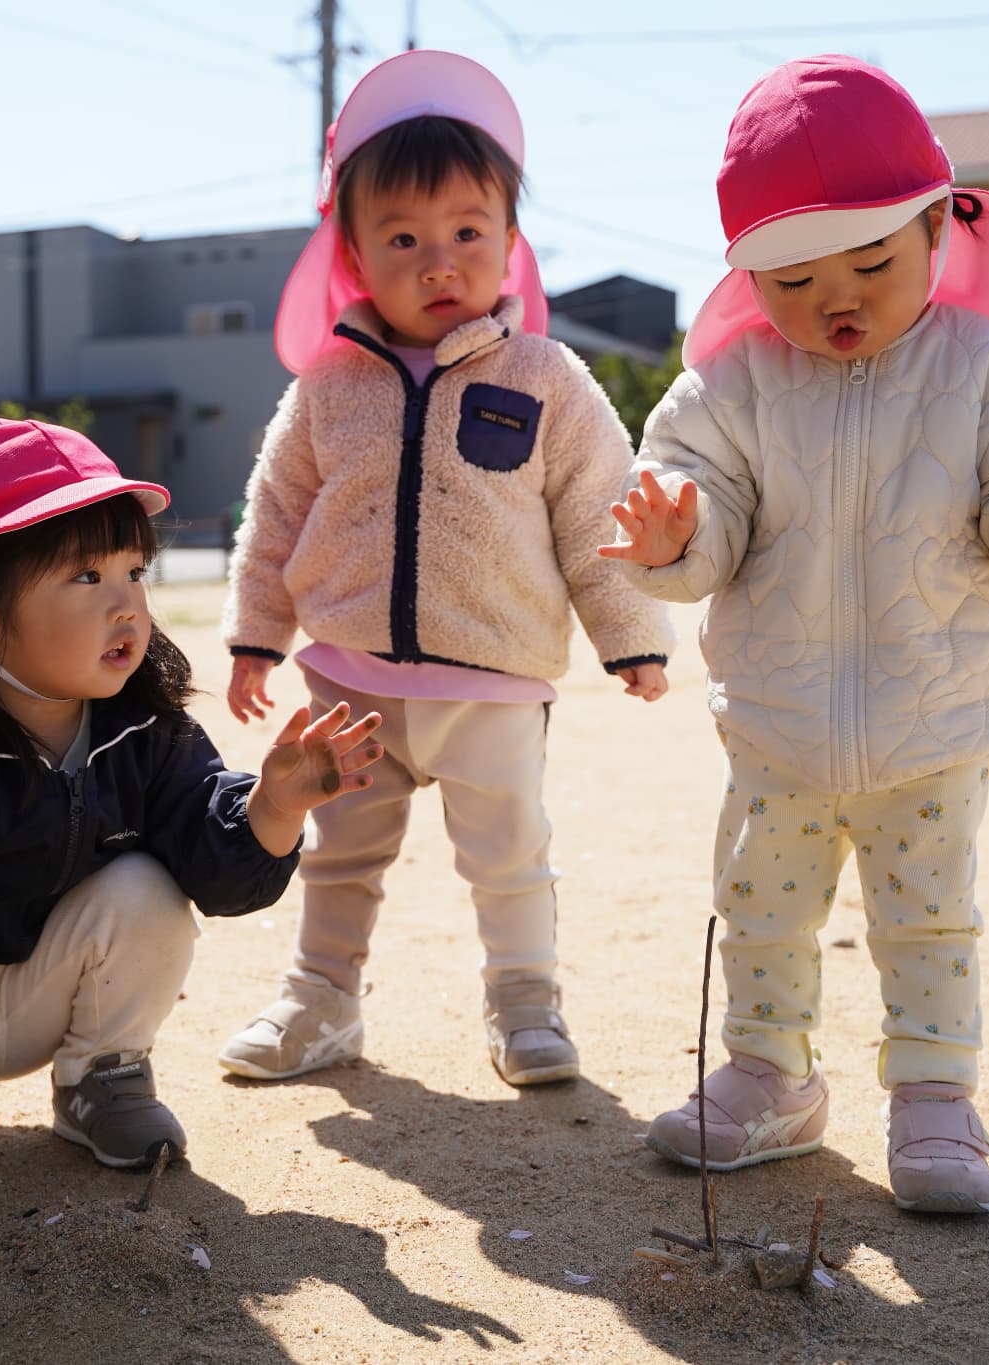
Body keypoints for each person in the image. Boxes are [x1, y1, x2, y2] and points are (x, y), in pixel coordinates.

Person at [602, 56, 989, 1213]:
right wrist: (676, 535)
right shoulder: (729, 389)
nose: (838, 300)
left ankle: (932, 1095)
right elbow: (706, 515)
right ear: (746, 278)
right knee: (760, 907)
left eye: (870, 264)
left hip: (935, 717)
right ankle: (769, 1073)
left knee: (927, 919)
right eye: (793, 280)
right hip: (777, 720)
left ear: (934, 230)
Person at [0, 418, 382, 1213]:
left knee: (147, 884)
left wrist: (273, 806)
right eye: (87, 576)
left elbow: (214, 864)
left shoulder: (145, 733)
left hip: (54, 1008)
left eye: (134, 570)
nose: (127, 604)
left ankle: (104, 1077)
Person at [216, 49, 674, 1088]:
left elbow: (595, 511)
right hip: (350, 679)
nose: (439, 264)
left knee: (508, 856)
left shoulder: (546, 377)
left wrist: (631, 636)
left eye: (468, 233)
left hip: (492, 680)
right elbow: (276, 511)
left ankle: (525, 1002)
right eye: (403, 240)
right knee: (337, 852)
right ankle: (320, 998)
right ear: (353, 256)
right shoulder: (328, 384)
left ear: (510, 242)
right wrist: (256, 636)